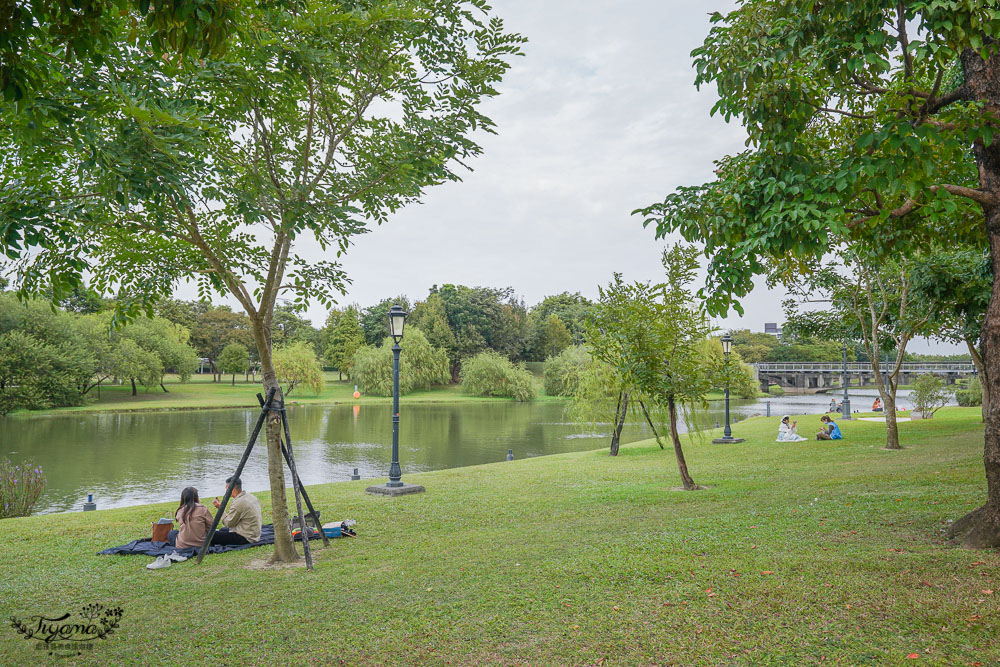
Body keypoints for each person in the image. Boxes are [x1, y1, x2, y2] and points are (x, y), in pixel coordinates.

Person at [211, 476, 262, 545]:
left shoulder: (239, 503)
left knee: (212, 535)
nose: (226, 491)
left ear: (233, 490)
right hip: (254, 534)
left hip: (246, 538)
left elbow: (228, 524)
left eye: (226, 489)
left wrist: (220, 509)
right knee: (222, 531)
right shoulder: (251, 497)